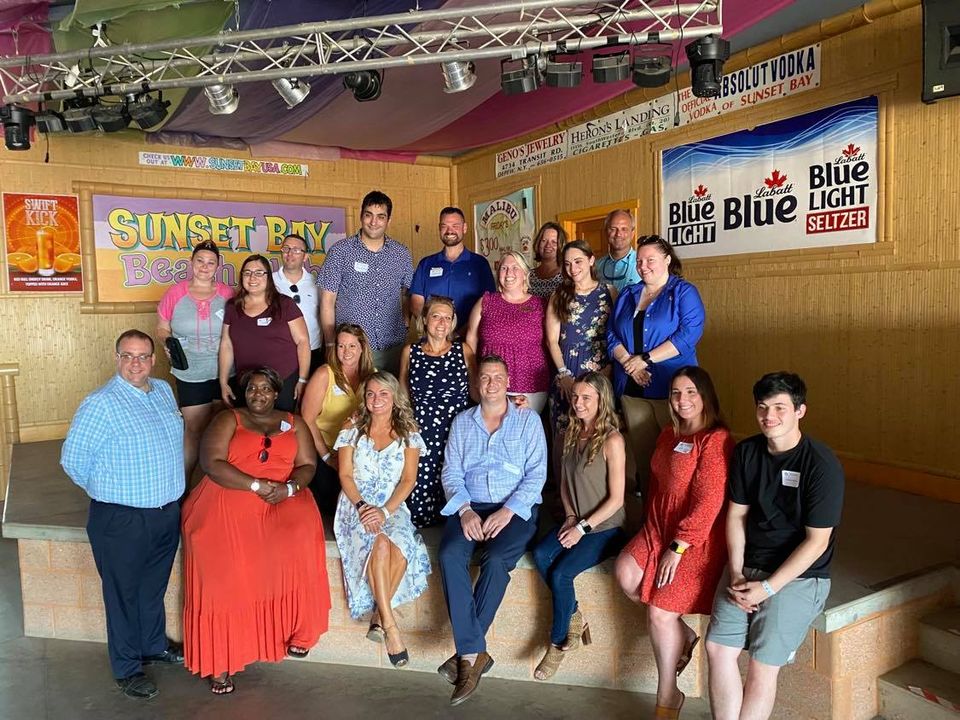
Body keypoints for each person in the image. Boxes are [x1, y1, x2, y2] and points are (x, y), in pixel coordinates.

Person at [181, 366, 330, 695]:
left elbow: (307, 465)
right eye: (251, 389)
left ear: (277, 393)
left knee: (303, 533)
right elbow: (212, 462)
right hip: (231, 491)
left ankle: (297, 630)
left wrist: (290, 489)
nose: (258, 394)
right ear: (243, 393)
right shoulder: (228, 419)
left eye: (265, 389)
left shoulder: (294, 422)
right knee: (224, 569)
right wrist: (255, 484)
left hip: (282, 494)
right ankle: (220, 659)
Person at [706, 372, 844, 720]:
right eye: (763, 407)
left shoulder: (821, 465)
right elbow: (736, 516)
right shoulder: (747, 452)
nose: (770, 416)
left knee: (762, 664)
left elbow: (817, 542)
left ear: (800, 411)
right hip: (748, 565)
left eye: (780, 407)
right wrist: (736, 572)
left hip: (799, 575)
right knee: (718, 648)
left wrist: (767, 588)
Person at [60, 330, 185, 700]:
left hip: (164, 513)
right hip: (121, 518)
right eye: (128, 356)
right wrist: (111, 493)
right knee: (123, 594)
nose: (136, 363)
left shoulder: (162, 390)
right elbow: (73, 461)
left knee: (152, 589)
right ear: (117, 358)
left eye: (143, 356)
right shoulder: (100, 403)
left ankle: (153, 645)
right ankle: (128, 667)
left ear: (153, 359)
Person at [615, 366, 734, 719]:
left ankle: (668, 694)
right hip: (658, 527)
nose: (683, 400)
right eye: (677, 393)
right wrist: (649, 531)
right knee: (625, 573)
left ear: (705, 397)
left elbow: (708, 503)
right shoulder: (668, 434)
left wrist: (678, 546)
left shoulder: (715, 440)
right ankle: (683, 633)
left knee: (659, 613)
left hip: (696, 538)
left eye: (691, 393)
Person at [437, 355, 547, 706]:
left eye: (497, 377)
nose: (491, 383)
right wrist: (465, 510)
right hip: (469, 505)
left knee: (498, 558)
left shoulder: (528, 421)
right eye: (484, 378)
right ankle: (474, 655)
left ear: (507, 380)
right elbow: (451, 473)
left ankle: (466, 656)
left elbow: (536, 475)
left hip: (515, 507)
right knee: (450, 553)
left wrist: (508, 511)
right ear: (477, 383)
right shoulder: (462, 423)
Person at [531, 372, 626, 681]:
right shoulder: (567, 434)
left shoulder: (613, 439)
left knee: (561, 573)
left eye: (587, 397)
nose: (579, 403)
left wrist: (582, 528)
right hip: (576, 521)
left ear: (601, 401)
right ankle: (573, 614)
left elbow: (616, 499)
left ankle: (558, 643)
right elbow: (563, 484)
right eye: (576, 397)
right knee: (541, 553)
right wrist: (571, 517)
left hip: (605, 528)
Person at [333, 371, 431, 668]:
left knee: (399, 545)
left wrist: (385, 511)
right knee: (380, 545)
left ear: (394, 397)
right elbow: (345, 475)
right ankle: (390, 626)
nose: (376, 400)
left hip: (392, 505)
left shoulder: (409, 433)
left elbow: (408, 480)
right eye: (371, 394)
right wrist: (363, 506)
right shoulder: (351, 428)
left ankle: (380, 616)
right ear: (364, 397)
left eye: (383, 394)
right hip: (355, 504)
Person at [607, 235, 706, 499]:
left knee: (678, 456)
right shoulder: (628, 294)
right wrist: (631, 364)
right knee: (643, 455)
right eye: (639, 261)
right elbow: (611, 334)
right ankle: (650, 513)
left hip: (672, 389)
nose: (643, 266)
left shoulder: (683, 292)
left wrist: (646, 359)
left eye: (650, 259)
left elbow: (689, 334)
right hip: (632, 388)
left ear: (667, 260)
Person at [156, 240, 233, 483]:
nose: (204, 266)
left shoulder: (228, 294)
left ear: (217, 266)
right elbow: (161, 328)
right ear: (192, 262)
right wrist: (168, 342)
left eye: (211, 262)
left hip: (225, 371)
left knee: (223, 430)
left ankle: (219, 485)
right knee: (194, 430)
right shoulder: (175, 293)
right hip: (190, 372)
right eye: (200, 260)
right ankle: (184, 485)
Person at [399, 295, 476, 528]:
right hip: (421, 428)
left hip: (457, 430)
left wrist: (509, 404)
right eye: (436, 316)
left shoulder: (462, 350)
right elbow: (402, 397)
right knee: (421, 482)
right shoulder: (410, 352)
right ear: (424, 319)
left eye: (447, 318)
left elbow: (477, 391)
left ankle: (455, 524)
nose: (442, 323)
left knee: (455, 477)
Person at [318, 190, 413, 375]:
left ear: (388, 220)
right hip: (352, 349)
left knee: (388, 400)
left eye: (380, 217)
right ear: (361, 217)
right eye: (368, 215)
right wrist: (330, 344)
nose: (374, 222)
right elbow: (327, 302)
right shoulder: (340, 252)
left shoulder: (401, 254)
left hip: (392, 345)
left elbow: (407, 293)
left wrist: (406, 323)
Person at [218, 254, 310, 413]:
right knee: (248, 430)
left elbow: (303, 342)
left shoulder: (285, 304)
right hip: (247, 384)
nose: (252, 277)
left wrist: (302, 379)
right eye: (247, 273)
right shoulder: (233, 306)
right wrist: (223, 381)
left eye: (259, 272)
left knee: (281, 428)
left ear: (268, 276)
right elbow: (226, 345)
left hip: (283, 381)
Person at [300, 323, 375, 514]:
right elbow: (307, 420)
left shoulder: (373, 376)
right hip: (326, 449)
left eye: (352, 346)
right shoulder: (325, 374)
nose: (346, 351)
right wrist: (326, 456)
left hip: (358, 453)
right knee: (335, 505)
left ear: (362, 348)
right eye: (341, 346)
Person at [546, 239, 616, 442]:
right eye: (567, 264)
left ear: (591, 260)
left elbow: (618, 334)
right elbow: (552, 340)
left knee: (599, 432)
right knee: (564, 434)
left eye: (578, 262)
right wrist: (563, 374)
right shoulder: (558, 295)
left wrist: (609, 369)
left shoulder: (609, 292)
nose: (572, 268)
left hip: (600, 369)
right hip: (567, 367)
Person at [465, 251, 550, 414]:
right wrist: (473, 374)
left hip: (532, 384)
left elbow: (551, 341)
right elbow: (470, 340)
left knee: (524, 433)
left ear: (525, 274)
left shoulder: (540, 305)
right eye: (504, 268)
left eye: (515, 267)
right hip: (491, 383)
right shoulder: (486, 301)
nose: (509, 273)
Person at [409, 207, 496, 336]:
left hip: (470, 340)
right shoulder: (426, 264)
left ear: (464, 228)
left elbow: (488, 303)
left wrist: (459, 334)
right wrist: (434, 330)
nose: (450, 231)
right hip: (433, 341)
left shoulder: (479, 264)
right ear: (439, 228)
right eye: (444, 226)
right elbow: (416, 302)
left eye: (455, 225)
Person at [272, 233, 324, 374]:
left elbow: (325, 314)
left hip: (313, 350)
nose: (290, 253)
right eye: (286, 248)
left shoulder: (317, 283)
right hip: (280, 351)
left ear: (305, 256)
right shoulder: (269, 282)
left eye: (296, 250)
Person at [595, 209, 642, 292]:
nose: (618, 234)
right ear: (606, 232)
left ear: (632, 233)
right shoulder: (596, 266)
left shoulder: (643, 264)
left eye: (624, 229)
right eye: (613, 229)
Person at [528, 222, 566, 298]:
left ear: (561, 246)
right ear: (538, 243)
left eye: (554, 242)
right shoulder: (528, 276)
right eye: (544, 241)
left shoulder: (567, 274)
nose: (548, 245)